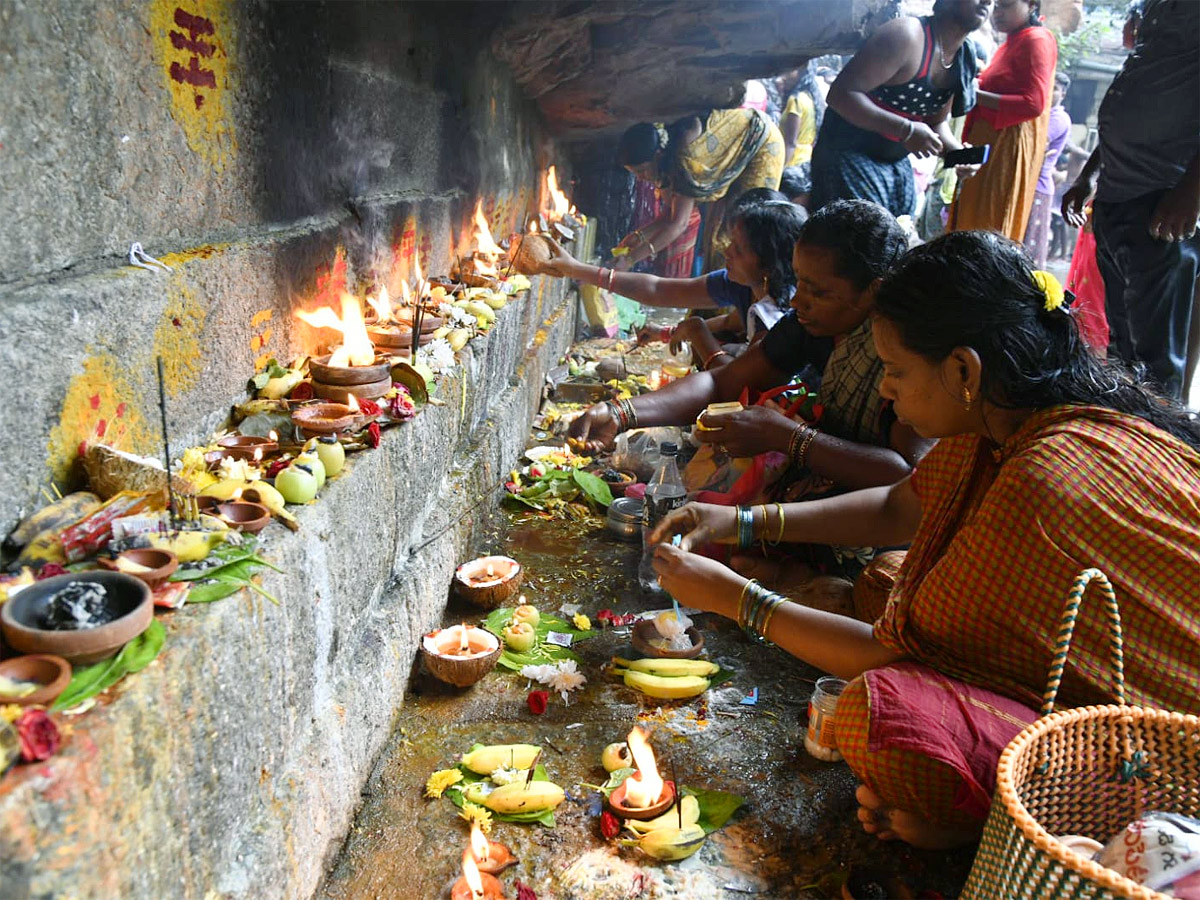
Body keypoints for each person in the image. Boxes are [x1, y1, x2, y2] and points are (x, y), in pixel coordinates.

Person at [650, 230, 1200, 849]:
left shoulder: (1041, 477)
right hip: (1110, 687)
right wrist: (740, 521)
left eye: (896, 370)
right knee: (886, 578)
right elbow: (899, 505)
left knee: (880, 715)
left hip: (1173, 772)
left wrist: (735, 597)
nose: (886, 388)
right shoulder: (1005, 419)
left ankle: (996, 830)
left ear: (963, 369)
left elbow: (891, 658)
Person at [569, 201, 930, 544]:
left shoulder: (908, 352)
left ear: (873, 292)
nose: (795, 301)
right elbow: (720, 382)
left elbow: (910, 477)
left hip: (879, 530)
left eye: (818, 291)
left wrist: (790, 438)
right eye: (800, 281)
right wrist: (621, 413)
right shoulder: (808, 324)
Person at [1062, 0, 1199, 400]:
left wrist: (1191, 190)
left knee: (1156, 364)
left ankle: (1157, 449)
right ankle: (1126, 434)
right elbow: (1129, 101)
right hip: (1118, 197)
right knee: (1122, 347)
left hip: (1162, 201)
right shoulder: (1156, 9)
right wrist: (1088, 176)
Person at [542, 195, 805, 368]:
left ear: (768, 263)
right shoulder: (742, 284)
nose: (727, 252)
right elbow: (658, 290)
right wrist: (577, 269)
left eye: (738, 249)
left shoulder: (777, 316)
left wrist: (697, 332)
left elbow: (733, 380)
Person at [809, 0, 984, 218]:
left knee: (897, 233)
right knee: (861, 239)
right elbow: (840, 94)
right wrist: (906, 130)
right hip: (848, 155)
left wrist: (958, 154)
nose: (988, 2)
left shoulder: (962, 56)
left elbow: (936, 121)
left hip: (895, 162)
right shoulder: (906, 36)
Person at [613, 109, 785, 271]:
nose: (641, 178)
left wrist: (630, 260)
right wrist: (639, 236)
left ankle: (741, 295)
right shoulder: (666, 160)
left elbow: (678, 224)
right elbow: (670, 215)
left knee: (745, 231)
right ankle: (711, 298)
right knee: (715, 236)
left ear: (658, 154)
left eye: (642, 171)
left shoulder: (684, 161)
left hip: (761, 143)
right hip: (731, 158)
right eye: (635, 174)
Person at [950, 0, 1058, 241]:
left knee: (986, 228)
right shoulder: (1013, 39)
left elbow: (1033, 103)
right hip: (984, 142)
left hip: (1005, 146)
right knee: (967, 221)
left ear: (1031, 5)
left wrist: (974, 94)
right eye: (995, 6)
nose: (997, 13)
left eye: (1005, 5)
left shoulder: (1036, 39)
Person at [1022, 72, 1076, 267]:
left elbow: (1037, 143)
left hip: (1039, 187)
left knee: (1028, 246)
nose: (1049, 92)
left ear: (1062, 95)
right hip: (1031, 184)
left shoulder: (1058, 118)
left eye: (1055, 89)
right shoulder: (1042, 115)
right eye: (1048, 86)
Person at [780, 63, 826, 170]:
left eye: (789, 72)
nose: (783, 77)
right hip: (806, 161)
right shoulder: (813, 98)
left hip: (792, 161)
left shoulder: (795, 100)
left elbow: (791, 142)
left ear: (802, 72)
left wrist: (781, 169)